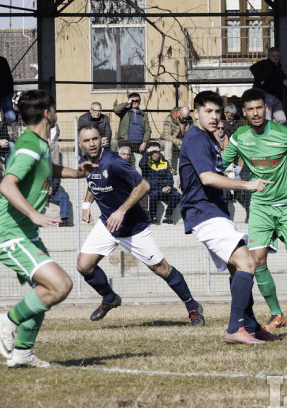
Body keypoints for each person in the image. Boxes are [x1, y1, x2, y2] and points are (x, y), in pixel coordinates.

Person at [0, 90, 98, 368]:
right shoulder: (28, 145)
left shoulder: (38, 143)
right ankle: (7, 320)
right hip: (11, 234)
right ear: (47, 113)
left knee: (43, 291)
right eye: (55, 107)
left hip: (25, 233)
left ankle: (23, 353)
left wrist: (76, 172)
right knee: (60, 285)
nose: (56, 111)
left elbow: (46, 168)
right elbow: (6, 184)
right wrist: (34, 214)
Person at [222, 88, 287, 330]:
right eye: (250, 109)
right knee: (257, 261)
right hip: (260, 206)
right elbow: (221, 163)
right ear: (244, 112)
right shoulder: (239, 138)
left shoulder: (285, 134)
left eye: (259, 107)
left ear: (266, 109)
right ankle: (276, 314)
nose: (256, 113)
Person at [77, 124, 204, 326]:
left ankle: (192, 306)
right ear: (80, 143)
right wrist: (86, 204)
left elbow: (144, 185)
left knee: (161, 269)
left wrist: (121, 210)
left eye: (95, 139)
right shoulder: (83, 161)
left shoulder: (114, 162)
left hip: (134, 227)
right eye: (87, 140)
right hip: (108, 225)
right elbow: (94, 183)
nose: (92, 144)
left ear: (101, 139)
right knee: (84, 265)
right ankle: (110, 298)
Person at [179, 90, 278, 344]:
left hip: (214, 211)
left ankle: (252, 325)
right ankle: (235, 329)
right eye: (208, 111)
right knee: (247, 263)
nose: (214, 117)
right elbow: (206, 178)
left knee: (238, 269)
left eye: (217, 112)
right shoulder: (197, 139)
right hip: (203, 213)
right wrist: (248, 185)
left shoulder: (210, 139)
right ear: (196, 112)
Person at [139, 142, 181, 224]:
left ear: (159, 152)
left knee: (176, 195)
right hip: (152, 189)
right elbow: (141, 164)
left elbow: (170, 177)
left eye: (156, 152)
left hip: (163, 189)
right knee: (153, 194)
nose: (154, 154)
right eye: (152, 152)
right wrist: (148, 152)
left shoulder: (165, 162)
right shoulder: (146, 161)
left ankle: (167, 217)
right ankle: (153, 217)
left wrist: (168, 186)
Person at [249, 47, 287, 124]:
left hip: (276, 97)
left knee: (282, 119)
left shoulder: (278, 68)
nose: (275, 58)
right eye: (273, 56)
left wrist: (285, 80)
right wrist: (261, 78)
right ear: (269, 56)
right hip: (267, 95)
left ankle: (273, 130)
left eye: (277, 56)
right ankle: (266, 133)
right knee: (267, 117)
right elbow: (252, 68)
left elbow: (282, 77)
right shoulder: (265, 64)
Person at [47, 124, 71, 227]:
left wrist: (51, 187)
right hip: (39, 194)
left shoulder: (54, 170)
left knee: (64, 195)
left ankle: (64, 220)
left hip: (51, 194)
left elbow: (57, 180)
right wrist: (44, 189)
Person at [161, 106, 192, 173]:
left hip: (181, 142)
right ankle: (168, 167)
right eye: (183, 118)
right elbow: (167, 136)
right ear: (179, 113)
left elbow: (191, 133)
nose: (184, 120)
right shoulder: (169, 119)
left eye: (186, 118)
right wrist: (179, 142)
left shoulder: (189, 120)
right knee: (168, 143)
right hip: (167, 141)